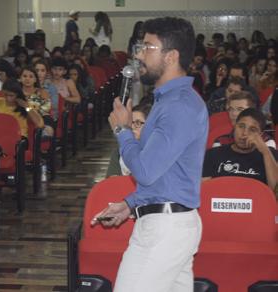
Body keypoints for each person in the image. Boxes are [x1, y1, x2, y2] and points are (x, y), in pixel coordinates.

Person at [92, 17, 207, 291]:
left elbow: (144, 170)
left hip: (166, 230)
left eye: (148, 48)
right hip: (168, 222)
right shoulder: (169, 101)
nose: (139, 55)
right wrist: (132, 203)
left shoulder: (179, 106)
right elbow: (165, 172)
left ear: (171, 56)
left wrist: (122, 130)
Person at [203, 108, 278, 189]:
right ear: (235, 126)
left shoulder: (271, 156)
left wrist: (265, 152)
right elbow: (203, 191)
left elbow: (275, 192)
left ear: (261, 134)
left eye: (252, 130)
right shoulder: (213, 154)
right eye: (241, 126)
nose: (244, 133)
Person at [106, 103, 151, 177]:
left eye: (138, 123)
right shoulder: (118, 153)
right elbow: (111, 184)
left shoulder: (154, 153)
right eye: (129, 123)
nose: (132, 127)